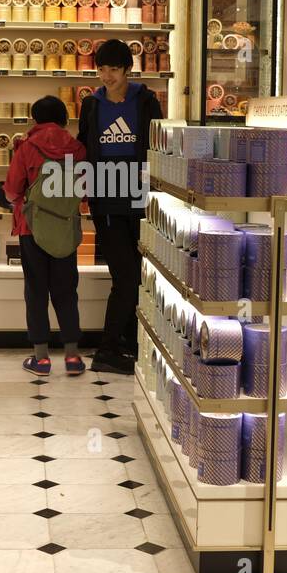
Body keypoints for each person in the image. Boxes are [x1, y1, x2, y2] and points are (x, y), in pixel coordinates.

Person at [78, 39, 163, 375]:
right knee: (125, 276)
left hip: (141, 197)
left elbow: (159, 145)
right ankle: (107, 349)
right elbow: (84, 146)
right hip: (106, 199)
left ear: (128, 69)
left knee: (139, 275)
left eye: (113, 69)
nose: (107, 76)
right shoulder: (92, 104)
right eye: (101, 69)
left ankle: (127, 341)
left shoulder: (146, 101)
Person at [4, 95, 88, 376]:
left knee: (36, 291)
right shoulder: (77, 148)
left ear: (35, 120)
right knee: (66, 291)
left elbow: (13, 190)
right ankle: (73, 357)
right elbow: (84, 190)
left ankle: (41, 359)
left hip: (32, 229)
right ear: (64, 119)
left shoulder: (27, 147)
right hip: (65, 227)